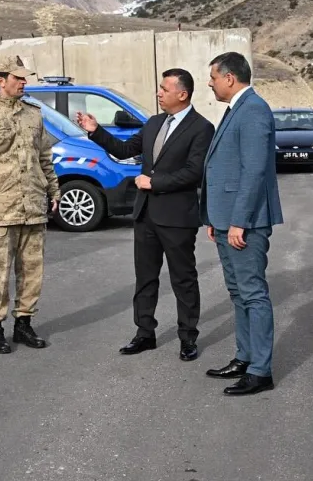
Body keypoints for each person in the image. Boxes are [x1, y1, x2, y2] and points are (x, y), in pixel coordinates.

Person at [76, 69, 215, 361]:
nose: (158, 93)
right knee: (145, 278)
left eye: (164, 89)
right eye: (159, 88)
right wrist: (94, 130)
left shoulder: (201, 128)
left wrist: (155, 182)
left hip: (177, 217)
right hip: (146, 215)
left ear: (182, 94)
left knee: (183, 280)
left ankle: (188, 338)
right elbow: (125, 149)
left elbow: (195, 172)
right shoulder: (153, 123)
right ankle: (144, 333)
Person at [0, 55, 61, 354]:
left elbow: (44, 157)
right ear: (1, 80)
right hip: (1, 209)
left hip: (33, 205)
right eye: (17, 78)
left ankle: (24, 324)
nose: (23, 82)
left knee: (32, 270)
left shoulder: (34, 114)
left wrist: (54, 190)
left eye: (24, 77)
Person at [201, 52, 284, 396]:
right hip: (225, 219)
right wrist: (214, 217)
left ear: (230, 78)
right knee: (238, 293)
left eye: (213, 77)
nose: (210, 82)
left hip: (244, 222)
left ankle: (260, 371)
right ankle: (245, 357)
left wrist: (238, 222)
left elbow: (253, 171)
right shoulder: (237, 108)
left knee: (253, 294)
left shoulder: (252, 110)